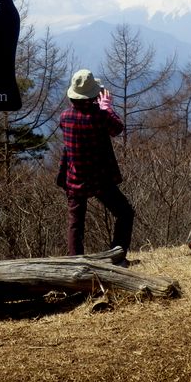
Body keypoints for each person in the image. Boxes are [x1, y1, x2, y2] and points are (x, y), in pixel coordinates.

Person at [57, 69, 135, 262]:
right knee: (125, 213)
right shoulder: (100, 116)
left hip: (75, 178)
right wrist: (106, 107)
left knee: (76, 224)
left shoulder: (64, 117)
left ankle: (76, 262)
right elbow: (117, 128)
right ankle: (117, 256)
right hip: (100, 179)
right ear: (93, 95)